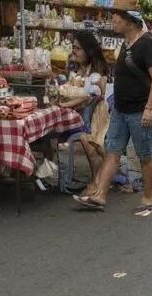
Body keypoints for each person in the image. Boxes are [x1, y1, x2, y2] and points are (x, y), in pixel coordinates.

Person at [74, 10, 152, 217]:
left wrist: (149, 109)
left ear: (130, 23)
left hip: (140, 111)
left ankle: (148, 199)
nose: (112, 21)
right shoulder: (126, 43)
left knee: (145, 156)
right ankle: (99, 195)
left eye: (117, 18)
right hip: (121, 110)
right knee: (112, 151)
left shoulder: (147, 44)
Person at [59, 31, 110, 196]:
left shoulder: (97, 71)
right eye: (73, 48)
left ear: (88, 51)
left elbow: (89, 97)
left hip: (95, 115)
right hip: (75, 114)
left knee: (87, 140)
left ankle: (96, 182)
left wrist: (67, 102)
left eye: (78, 48)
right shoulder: (75, 69)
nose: (74, 51)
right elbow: (67, 90)